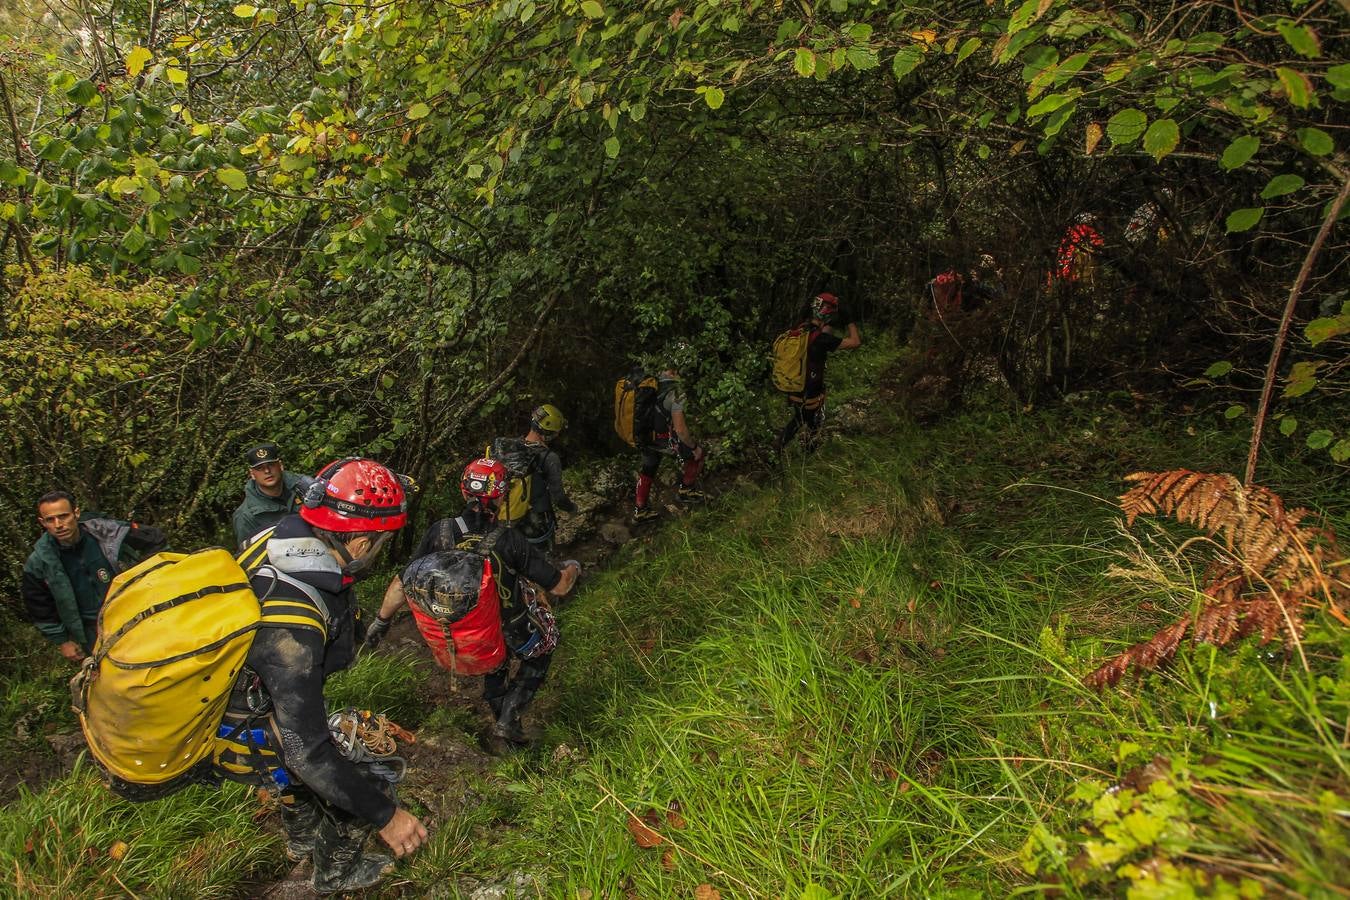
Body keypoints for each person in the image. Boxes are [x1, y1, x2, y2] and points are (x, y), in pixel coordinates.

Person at [217, 458, 428, 893]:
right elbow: (306, 751)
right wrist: (387, 816)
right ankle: (336, 873)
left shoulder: (281, 537)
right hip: (239, 725)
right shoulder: (292, 632)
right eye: (381, 542)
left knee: (294, 744)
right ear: (359, 543)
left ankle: (301, 839)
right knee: (359, 773)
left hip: (242, 695)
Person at [368, 458, 580, 747]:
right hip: (510, 627)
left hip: (465, 631)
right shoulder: (508, 539)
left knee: (496, 662)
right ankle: (509, 718)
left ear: (463, 491)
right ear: (502, 496)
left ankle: (500, 711)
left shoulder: (438, 532)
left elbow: (400, 583)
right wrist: (573, 568)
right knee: (544, 648)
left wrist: (381, 622)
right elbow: (559, 586)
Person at [21, 491, 166, 663]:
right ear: (42, 522)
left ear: (76, 513)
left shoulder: (107, 533)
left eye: (63, 516)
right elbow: (39, 607)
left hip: (136, 615)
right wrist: (63, 641)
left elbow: (155, 540)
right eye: (50, 520)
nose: (58, 524)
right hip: (92, 633)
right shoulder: (40, 561)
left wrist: (150, 578)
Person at [773, 292, 861, 454]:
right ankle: (781, 449)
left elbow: (823, 333)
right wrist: (849, 320)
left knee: (807, 420)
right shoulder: (821, 340)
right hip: (810, 393)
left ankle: (806, 454)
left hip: (794, 388)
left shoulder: (801, 331)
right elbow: (855, 342)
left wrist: (830, 321)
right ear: (828, 313)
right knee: (804, 420)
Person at [486, 403, 578, 551]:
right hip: (535, 523)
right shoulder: (549, 457)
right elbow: (558, 497)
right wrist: (572, 508)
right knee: (541, 564)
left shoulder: (503, 448)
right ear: (549, 434)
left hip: (500, 518)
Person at [633, 360, 705, 523]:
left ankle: (640, 510)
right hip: (665, 440)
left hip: (646, 437)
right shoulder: (677, 392)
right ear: (674, 372)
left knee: (648, 469)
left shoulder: (649, 385)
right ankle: (686, 490)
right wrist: (694, 447)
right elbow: (680, 430)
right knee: (697, 454)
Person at [232, 441, 309, 548]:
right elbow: (250, 558)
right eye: (260, 468)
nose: (267, 471)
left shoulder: (305, 487)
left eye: (271, 465)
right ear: (252, 474)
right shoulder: (245, 517)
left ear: (280, 466)